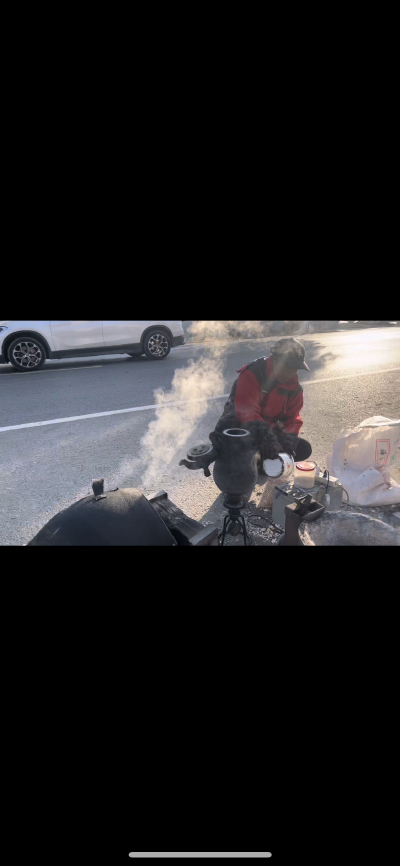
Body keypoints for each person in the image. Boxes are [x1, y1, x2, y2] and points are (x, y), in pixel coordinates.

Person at [213, 338, 313, 469]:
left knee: (304, 448)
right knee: (238, 447)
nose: (290, 374)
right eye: (287, 367)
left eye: (295, 369)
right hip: (241, 426)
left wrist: (288, 441)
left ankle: (261, 460)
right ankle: (252, 460)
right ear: (274, 359)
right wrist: (268, 439)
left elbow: (293, 419)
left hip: (268, 429)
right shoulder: (252, 374)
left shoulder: (295, 388)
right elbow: (247, 412)